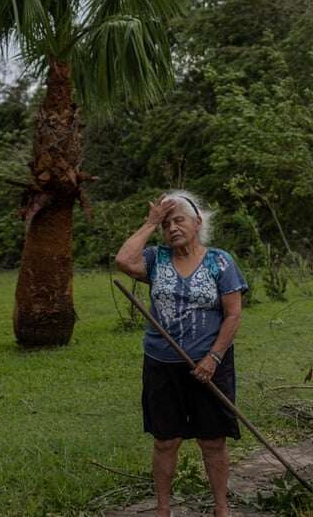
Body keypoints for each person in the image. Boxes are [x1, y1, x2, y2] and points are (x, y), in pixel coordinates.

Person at [115, 190, 247, 517]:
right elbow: (123, 261)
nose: (172, 228)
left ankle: (221, 508)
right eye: (167, 223)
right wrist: (150, 222)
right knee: (165, 441)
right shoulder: (155, 259)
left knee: (213, 441)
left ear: (198, 222)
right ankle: (163, 510)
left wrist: (213, 357)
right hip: (163, 364)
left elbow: (233, 314)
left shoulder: (220, 261)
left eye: (179, 220)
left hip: (211, 364)